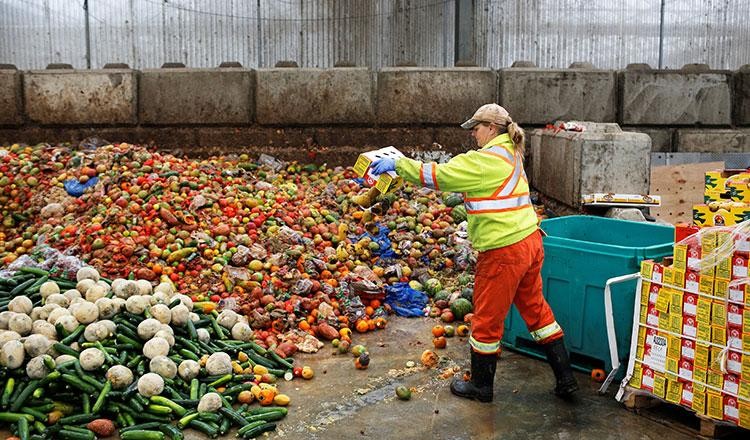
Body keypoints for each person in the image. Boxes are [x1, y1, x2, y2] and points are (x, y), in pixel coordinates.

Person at [369, 103, 578, 402]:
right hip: (530, 241)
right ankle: (566, 378)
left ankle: (481, 386)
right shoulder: (511, 152)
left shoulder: (486, 160)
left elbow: (440, 175)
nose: (473, 135)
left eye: (476, 128)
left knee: (486, 320)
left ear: (491, 128)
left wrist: (399, 165)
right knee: (537, 311)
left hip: (504, 250)